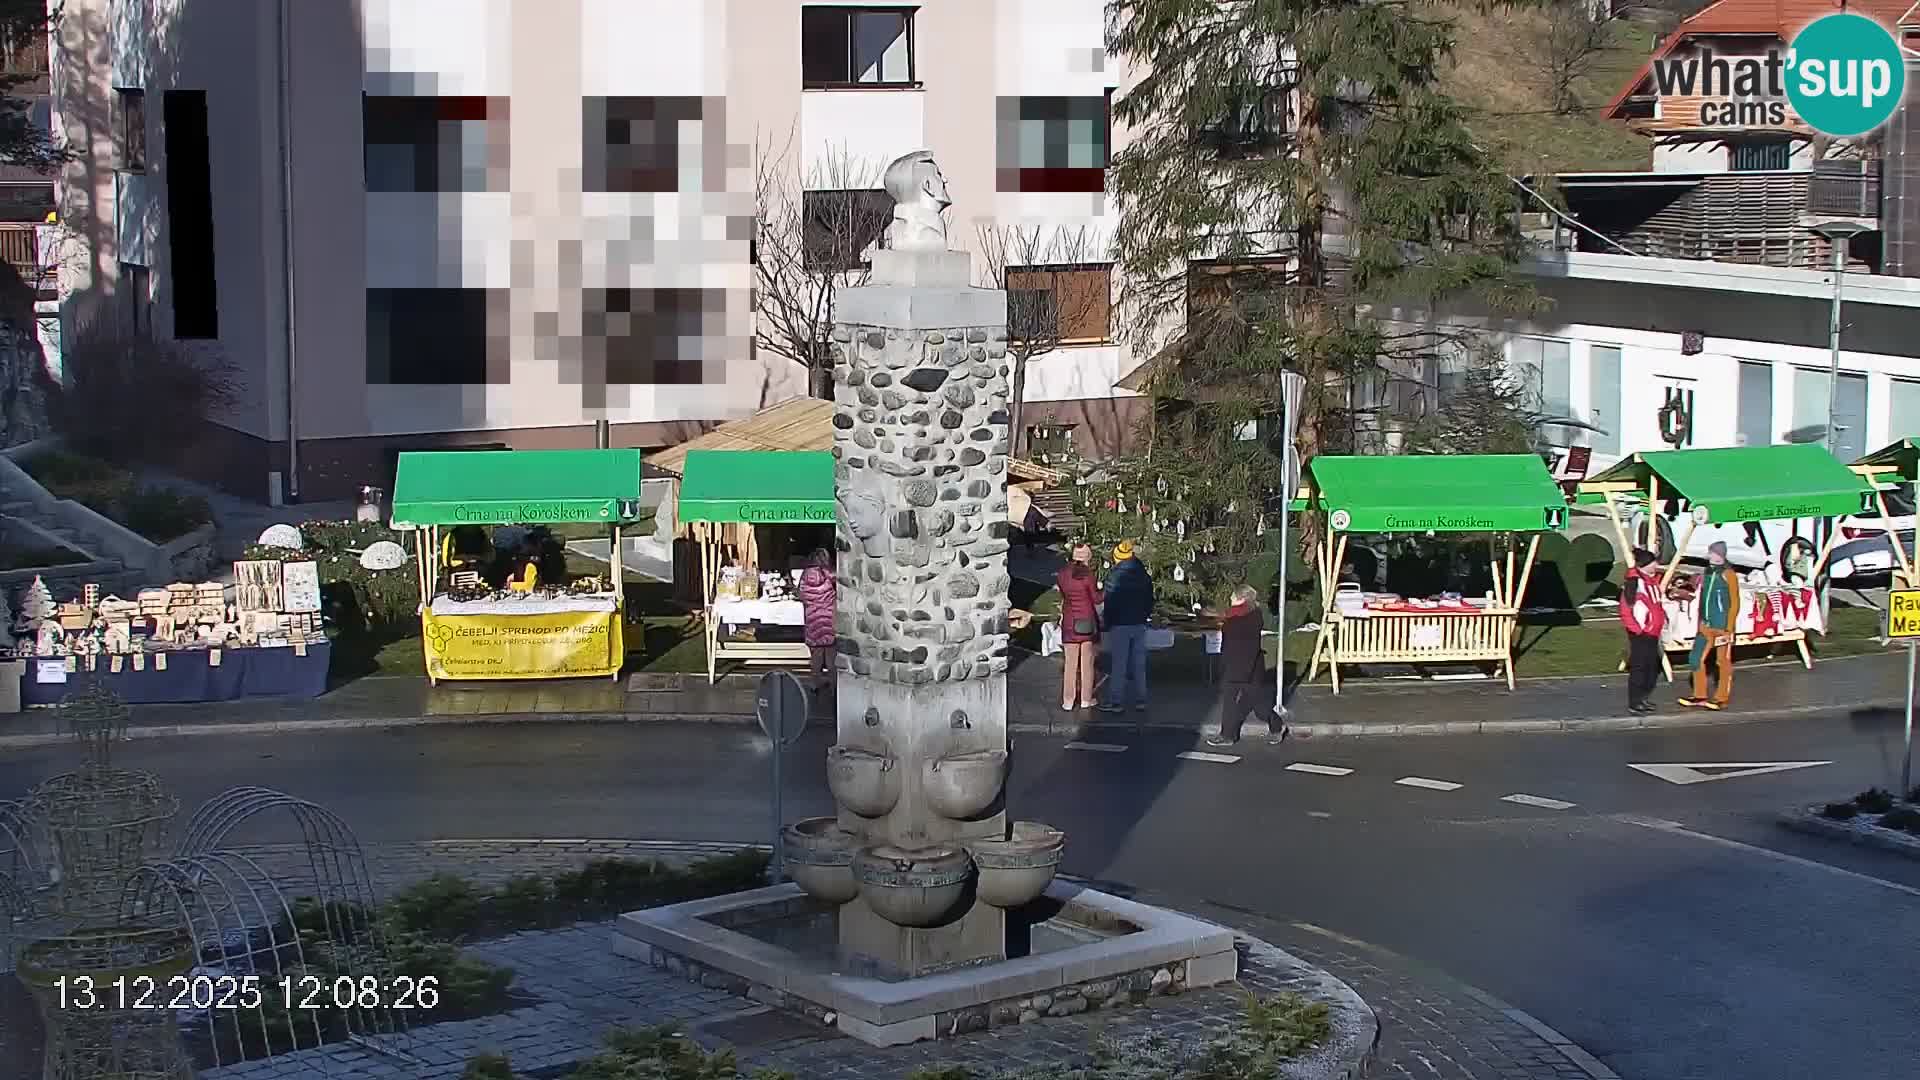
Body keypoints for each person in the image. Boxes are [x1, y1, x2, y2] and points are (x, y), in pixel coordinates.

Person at [1206, 586, 1280, 747]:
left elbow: (1249, 645)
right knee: (1229, 701)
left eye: (1233, 597)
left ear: (1242, 598)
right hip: (1232, 664)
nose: (1230, 600)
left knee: (1259, 706)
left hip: (1249, 667)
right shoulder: (1232, 615)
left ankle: (1277, 726)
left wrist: (1244, 671)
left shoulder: (1252, 616)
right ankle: (1227, 735)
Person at [1681, 540, 1740, 710]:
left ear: (1721, 555)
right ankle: (1699, 695)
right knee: (1695, 658)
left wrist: (1729, 626)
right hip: (1705, 625)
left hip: (1722, 626)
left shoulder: (1728, 574)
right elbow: (1703, 598)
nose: (1710, 556)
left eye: (1713, 553)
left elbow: (1735, 601)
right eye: (1710, 552)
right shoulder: (1707, 572)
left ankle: (1722, 697)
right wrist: (1700, 620)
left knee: (1723, 661)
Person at [1100, 540, 1154, 714]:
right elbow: (1149, 600)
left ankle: (1116, 701)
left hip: (1120, 625)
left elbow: (1109, 604)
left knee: (1119, 664)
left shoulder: (1115, 576)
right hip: (1139, 623)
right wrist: (1144, 615)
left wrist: (1107, 623)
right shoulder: (1143, 574)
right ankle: (1141, 700)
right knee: (1139, 663)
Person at [1055, 543, 1103, 710]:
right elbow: (1096, 599)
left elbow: (1063, 595)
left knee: (1070, 663)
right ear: (1087, 558)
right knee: (1087, 663)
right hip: (1086, 622)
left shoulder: (1062, 574)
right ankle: (1085, 699)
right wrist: (1105, 591)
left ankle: (1068, 700)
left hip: (1069, 621)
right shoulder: (1088, 575)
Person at [1618, 548, 1667, 715]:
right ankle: (1635, 701)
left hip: (1652, 632)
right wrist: (1638, 629)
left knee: (1650, 667)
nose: (1656, 565)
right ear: (1646, 564)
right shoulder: (1635, 583)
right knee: (1639, 667)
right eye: (1653, 562)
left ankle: (1643, 698)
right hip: (1642, 633)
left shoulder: (1650, 580)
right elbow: (1627, 609)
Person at [798, 549, 836, 692]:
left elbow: (801, 595)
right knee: (831, 656)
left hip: (813, 622)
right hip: (828, 621)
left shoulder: (804, 577)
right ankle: (834, 685)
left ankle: (816, 682)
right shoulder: (830, 575)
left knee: (816, 656)